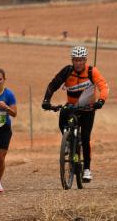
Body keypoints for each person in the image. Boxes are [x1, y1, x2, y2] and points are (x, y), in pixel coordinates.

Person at [42, 45, 109, 182]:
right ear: (72, 60)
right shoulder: (67, 71)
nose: (78, 63)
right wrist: (46, 100)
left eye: (81, 60)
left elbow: (103, 86)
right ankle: (68, 141)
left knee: (85, 137)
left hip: (88, 108)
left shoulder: (92, 71)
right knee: (62, 117)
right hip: (72, 106)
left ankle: (87, 170)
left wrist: (101, 101)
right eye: (75, 60)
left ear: (85, 60)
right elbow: (53, 85)